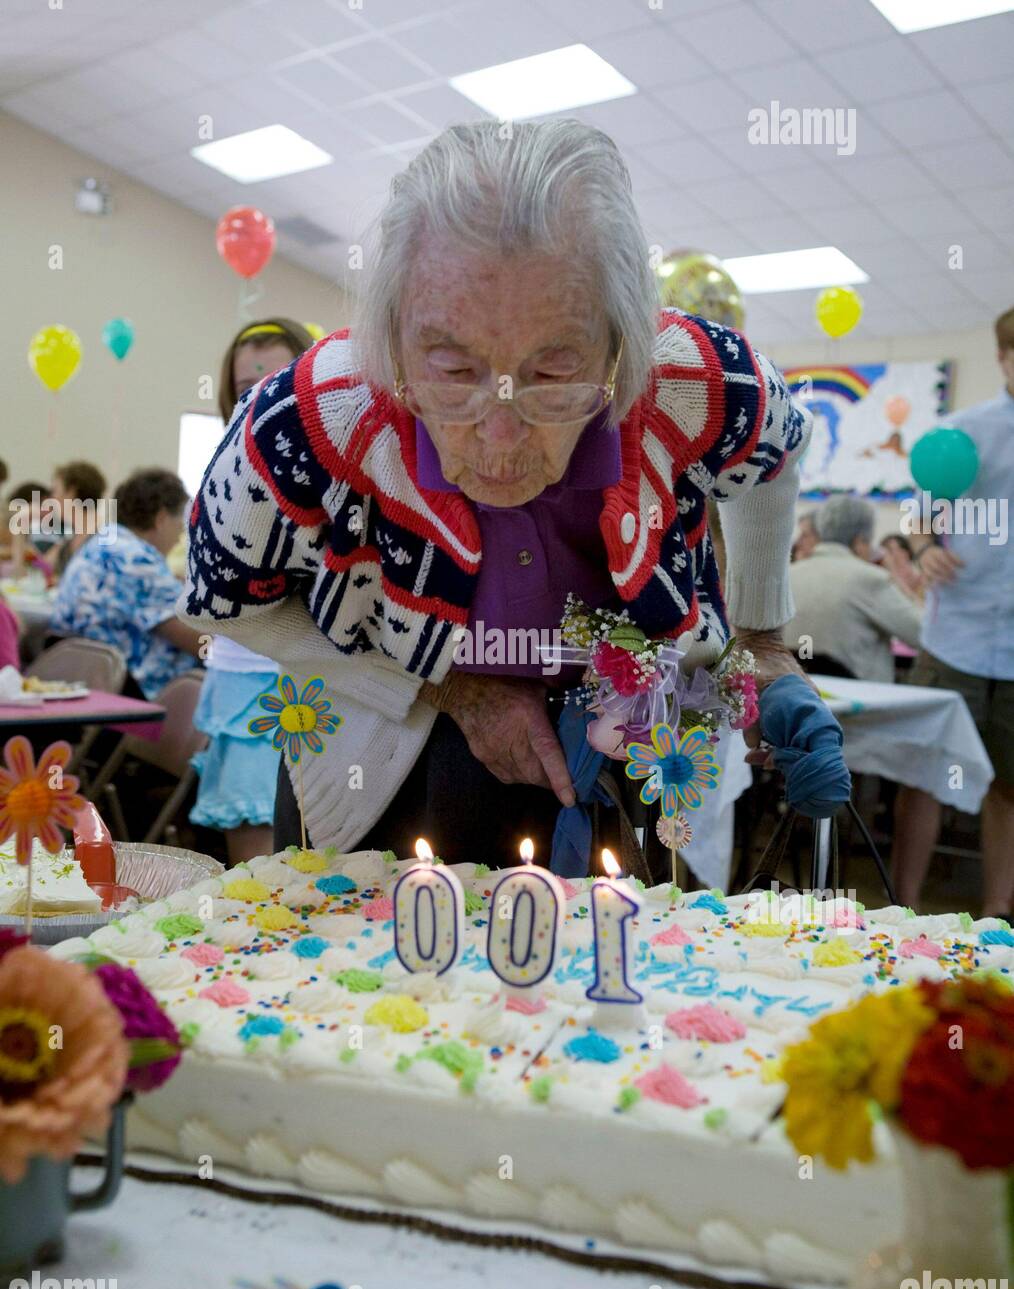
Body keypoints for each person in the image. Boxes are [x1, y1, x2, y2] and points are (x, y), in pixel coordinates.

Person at [180, 118, 813, 869]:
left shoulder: (692, 379)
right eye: (451, 371)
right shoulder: (304, 420)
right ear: (388, 335)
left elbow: (778, 444)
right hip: (384, 759)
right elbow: (228, 604)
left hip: (617, 745)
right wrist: (451, 690)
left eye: (553, 373)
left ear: (623, 340)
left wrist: (763, 634)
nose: (501, 437)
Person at [893, 306, 1014, 920]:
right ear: (1002, 359)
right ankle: (902, 906)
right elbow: (917, 518)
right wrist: (923, 549)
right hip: (955, 637)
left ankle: (997, 920)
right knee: (928, 774)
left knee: (1008, 791)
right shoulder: (963, 432)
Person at [189, 320, 315, 865]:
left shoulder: (334, 475)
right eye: (246, 388)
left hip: (321, 687)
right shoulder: (223, 478)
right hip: (246, 687)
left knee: (324, 857)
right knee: (256, 865)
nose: (263, 396)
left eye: (280, 378)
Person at [50, 468, 200, 698]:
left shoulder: (101, 544)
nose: (180, 535)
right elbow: (198, 641)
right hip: (130, 696)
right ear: (161, 518)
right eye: (179, 523)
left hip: (80, 684)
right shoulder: (138, 560)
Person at [784, 495, 922, 683]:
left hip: (796, 694)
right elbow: (922, 634)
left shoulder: (787, 576)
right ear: (859, 542)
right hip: (859, 701)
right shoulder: (870, 579)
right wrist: (896, 579)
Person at [49, 460, 108, 576]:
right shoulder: (71, 541)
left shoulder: (105, 539)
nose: (51, 499)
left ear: (71, 492)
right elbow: (39, 569)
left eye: (55, 491)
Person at [879, 532, 925, 603]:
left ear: (906, 553)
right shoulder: (887, 589)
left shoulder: (927, 581)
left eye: (890, 551)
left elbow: (919, 607)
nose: (885, 558)